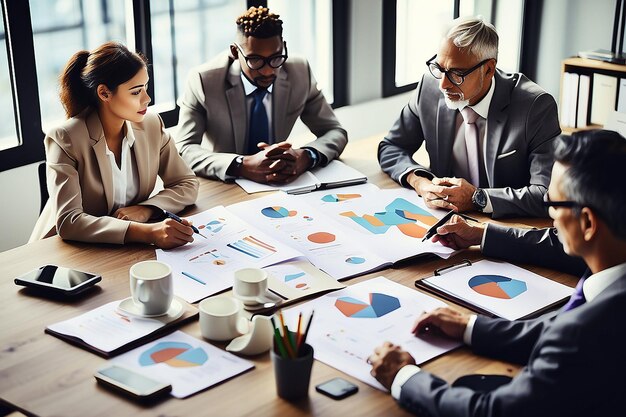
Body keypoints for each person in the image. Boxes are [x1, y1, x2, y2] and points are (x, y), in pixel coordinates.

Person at [368, 130, 626, 416]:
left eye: (553, 204)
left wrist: (404, 377)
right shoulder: (609, 271)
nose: (550, 216)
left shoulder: (583, 335)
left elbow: (493, 411)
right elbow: (558, 327)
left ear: (588, 222)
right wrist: (471, 327)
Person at [378, 16, 560, 218]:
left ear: (489, 69)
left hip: (504, 226)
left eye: (456, 73)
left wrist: (477, 198)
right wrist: (420, 182)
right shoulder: (428, 89)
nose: (443, 85)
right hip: (444, 218)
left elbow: (546, 195)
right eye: (440, 68)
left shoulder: (535, 107)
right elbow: (391, 147)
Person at [30, 42, 199, 249]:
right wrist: (148, 232)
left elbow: (187, 183)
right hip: (66, 252)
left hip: (121, 250)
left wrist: (146, 210)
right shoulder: (66, 138)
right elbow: (69, 221)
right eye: (136, 92)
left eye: (145, 87)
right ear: (104, 94)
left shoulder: (151, 125)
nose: (147, 99)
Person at [175, 6, 347, 184]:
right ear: (235, 52)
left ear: (284, 47)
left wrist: (306, 156)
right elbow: (183, 149)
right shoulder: (205, 81)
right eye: (255, 59)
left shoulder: (299, 71)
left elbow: (335, 131)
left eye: (276, 58)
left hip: (282, 184)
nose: (267, 71)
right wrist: (242, 164)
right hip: (226, 187)